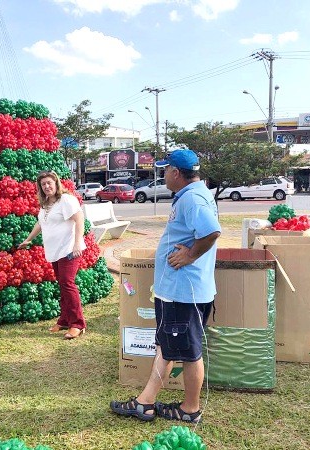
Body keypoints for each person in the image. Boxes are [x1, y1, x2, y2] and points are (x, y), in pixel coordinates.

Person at [110, 149, 221, 423]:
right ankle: (145, 403)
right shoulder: (193, 194)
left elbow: (212, 231)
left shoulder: (193, 198)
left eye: (165, 170)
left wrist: (189, 254)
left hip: (182, 293)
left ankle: (190, 409)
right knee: (167, 346)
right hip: (180, 291)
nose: (163, 176)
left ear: (175, 172)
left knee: (189, 352)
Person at [18, 170, 87, 340]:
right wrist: (28, 239)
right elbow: (40, 223)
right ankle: (64, 320)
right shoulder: (46, 204)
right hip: (55, 252)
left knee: (67, 284)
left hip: (69, 250)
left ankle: (77, 324)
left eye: (49, 182)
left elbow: (79, 219)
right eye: (43, 184)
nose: (47, 186)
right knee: (62, 285)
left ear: (56, 183)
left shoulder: (66, 200)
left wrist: (78, 242)